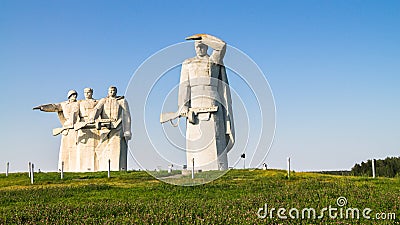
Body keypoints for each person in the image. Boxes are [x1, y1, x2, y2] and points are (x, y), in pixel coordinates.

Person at [178, 34, 235, 171]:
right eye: (197, 46)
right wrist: (183, 105)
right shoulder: (188, 63)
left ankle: (217, 168)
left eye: (202, 45)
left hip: (213, 100)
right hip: (195, 104)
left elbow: (222, 46)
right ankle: (196, 167)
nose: (200, 48)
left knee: (215, 139)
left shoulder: (214, 60)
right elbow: (184, 86)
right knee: (196, 139)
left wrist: (203, 37)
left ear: (207, 46)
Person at [33, 90, 80, 172]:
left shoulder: (78, 103)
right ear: (69, 96)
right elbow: (54, 106)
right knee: (65, 149)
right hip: (66, 127)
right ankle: (64, 169)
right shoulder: (64, 104)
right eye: (73, 95)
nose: (74, 96)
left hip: (75, 127)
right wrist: (42, 108)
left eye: (75, 95)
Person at [91, 86, 131, 171]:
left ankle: (115, 168)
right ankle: (103, 168)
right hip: (105, 127)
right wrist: (92, 118)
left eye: (113, 91)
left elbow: (127, 116)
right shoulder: (103, 100)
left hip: (117, 127)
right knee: (102, 148)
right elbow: (97, 109)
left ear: (116, 92)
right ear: (108, 92)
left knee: (116, 148)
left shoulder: (121, 101)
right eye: (110, 91)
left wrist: (127, 130)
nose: (112, 92)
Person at [76, 88, 99, 172]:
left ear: (92, 93)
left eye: (88, 92)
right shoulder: (80, 102)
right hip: (82, 125)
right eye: (85, 92)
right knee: (82, 148)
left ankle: (95, 168)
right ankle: (81, 169)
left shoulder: (96, 102)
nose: (87, 94)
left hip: (93, 126)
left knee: (93, 148)